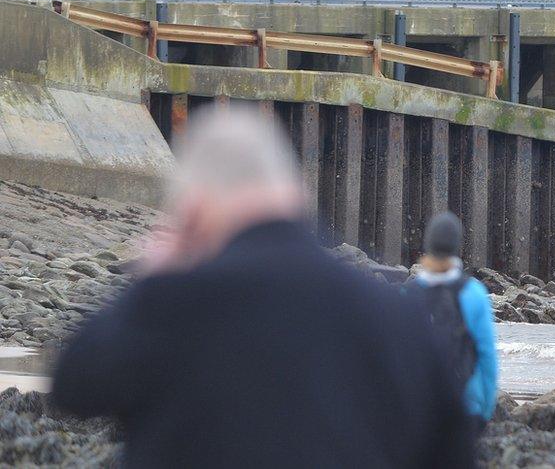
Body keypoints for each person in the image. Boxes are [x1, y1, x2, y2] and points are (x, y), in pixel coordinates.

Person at [51, 107, 474, 468]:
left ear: (194, 206)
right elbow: (453, 450)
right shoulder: (401, 320)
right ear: (297, 193)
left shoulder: (171, 306)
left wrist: (157, 278)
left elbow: (75, 386)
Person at [410, 212, 498, 433]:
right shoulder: (474, 293)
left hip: (421, 407)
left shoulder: (409, 294)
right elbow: (487, 356)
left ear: (428, 244)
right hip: (466, 407)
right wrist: (485, 410)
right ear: (457, 245)